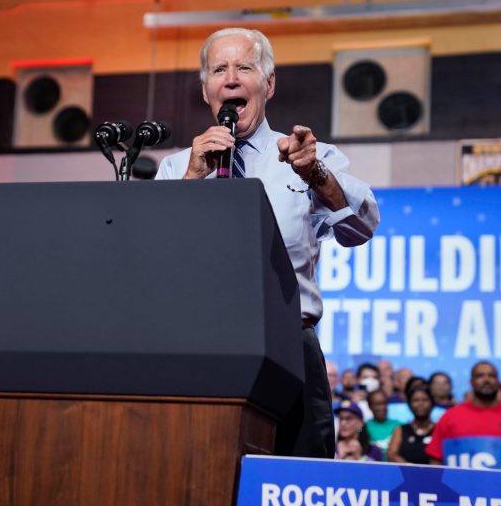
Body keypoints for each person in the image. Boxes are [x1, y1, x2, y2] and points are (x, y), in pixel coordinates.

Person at [155, 27, 380, 458]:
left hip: (289, 349)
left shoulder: (308, 156)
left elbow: (362, 228)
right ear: (206, 90)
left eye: (245, 67)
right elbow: (152, 257)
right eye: (219, 69)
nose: (232, 78)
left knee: (297, 479)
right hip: (199, 347)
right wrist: (191, 180)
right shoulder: (177, 166)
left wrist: (315, 174)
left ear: (269, 83)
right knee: (204, 472)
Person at [425, 361, 501, 464]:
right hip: (456, 480)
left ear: (498, 381)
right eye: (480, 376)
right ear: (471, 382)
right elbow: (435, 458)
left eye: (491, 376)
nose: (486, 380)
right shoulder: (450, 416)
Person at [387, 385, 434, 464]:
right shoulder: (400, 429)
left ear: (432, 403)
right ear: (409, 404)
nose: (420, 404)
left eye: (425, 400)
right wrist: (410, 469)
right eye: (415, 400)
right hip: (405, 474)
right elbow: (391, 455)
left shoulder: (439, 429)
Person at [365, 389, 400, 458]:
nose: (382, 407)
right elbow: (357, 432)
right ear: (369, 406)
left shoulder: (399, 425)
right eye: (378, 404)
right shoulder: (364, 427)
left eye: (384, 403)